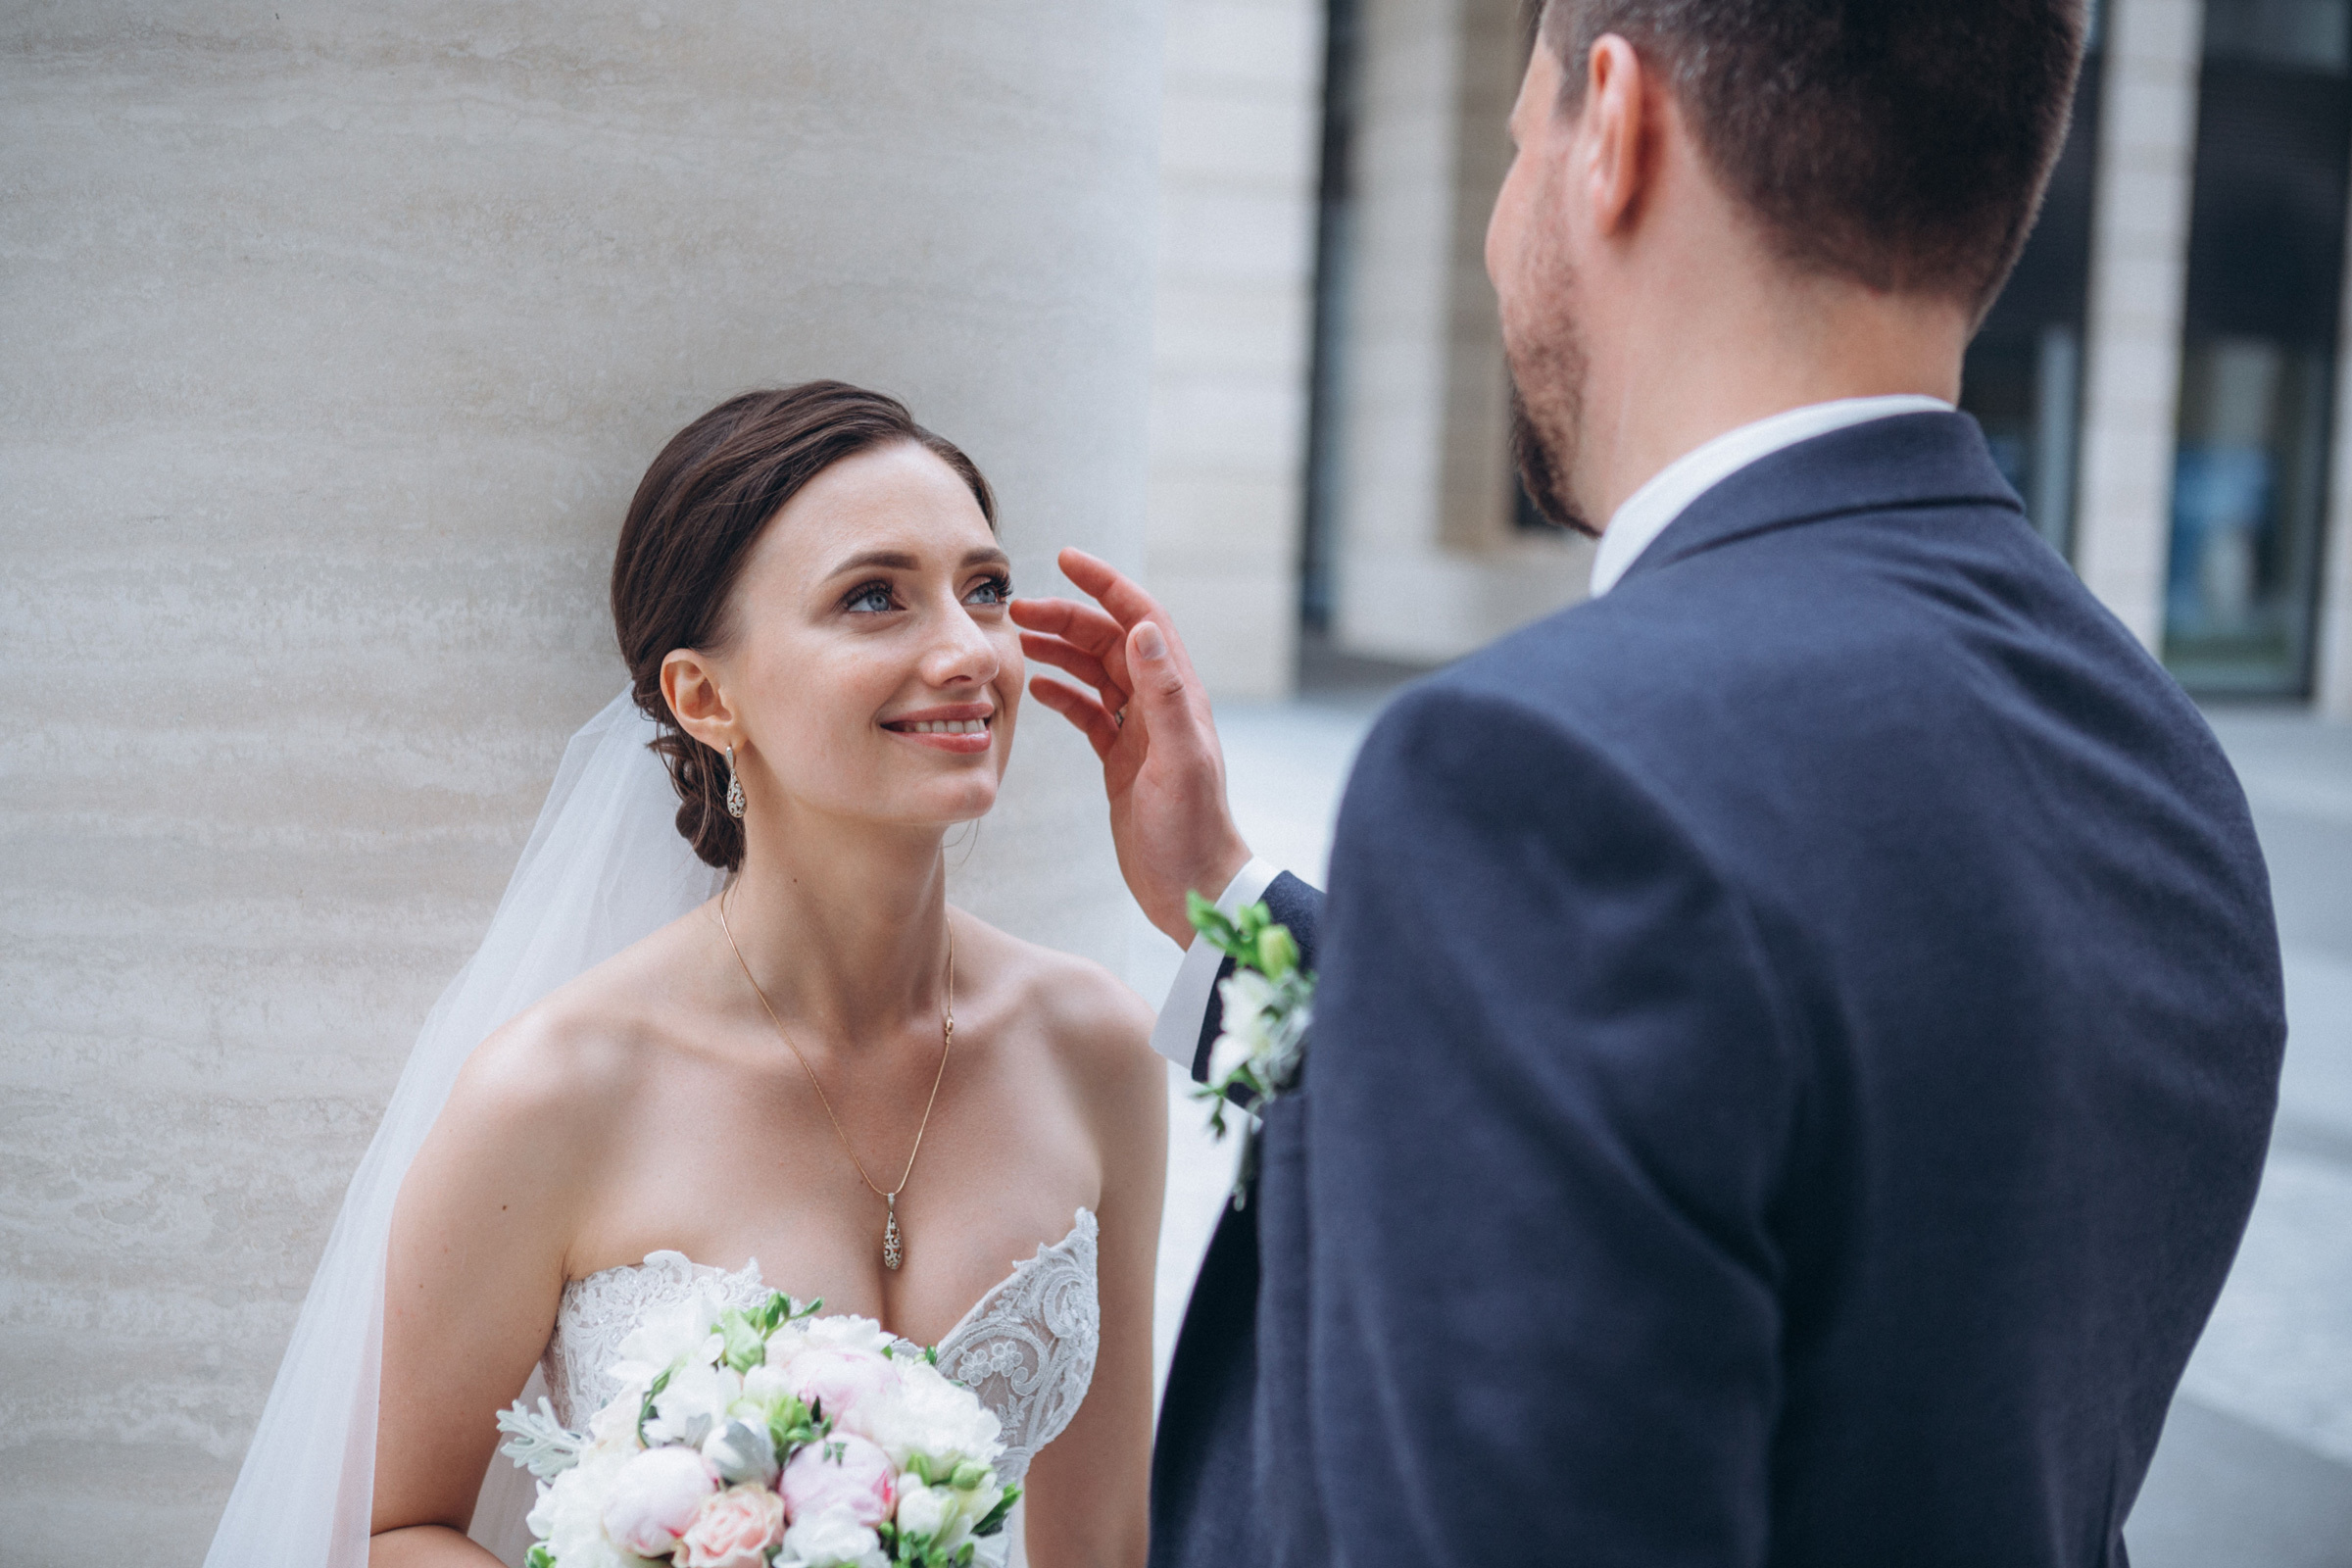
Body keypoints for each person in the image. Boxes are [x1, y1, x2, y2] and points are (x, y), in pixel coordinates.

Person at [1012, 3, 2286, 1564]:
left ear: (1609, 127)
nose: (1494, 238)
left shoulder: (1542, 770)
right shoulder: (2161, 764)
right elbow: (1777, 1119)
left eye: (1510, 146)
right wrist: (1237, 901)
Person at [208, 382, 1165, 1568]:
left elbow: (1111, 1544)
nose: (969, 651)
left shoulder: (1097, 1048)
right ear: (705, 696)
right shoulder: (556, 1090)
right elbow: (386, 1525)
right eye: (875, 597)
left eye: (984, 589)